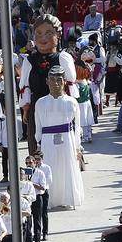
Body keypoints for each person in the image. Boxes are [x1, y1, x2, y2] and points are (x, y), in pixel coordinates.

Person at [34, 67, 84, 208]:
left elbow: (77, 127)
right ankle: (50, 200)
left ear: (64, 82)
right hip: (47, 141)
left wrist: (78, 147)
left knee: (66, 168)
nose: (55, 83)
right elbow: (38, 126)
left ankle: (68, 199)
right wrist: (38, 144)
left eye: (59, 80)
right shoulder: (40, 103)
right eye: (52, 80)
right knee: (49, 168)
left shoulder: (72, 102)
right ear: (47, 81)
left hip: (67, 140)